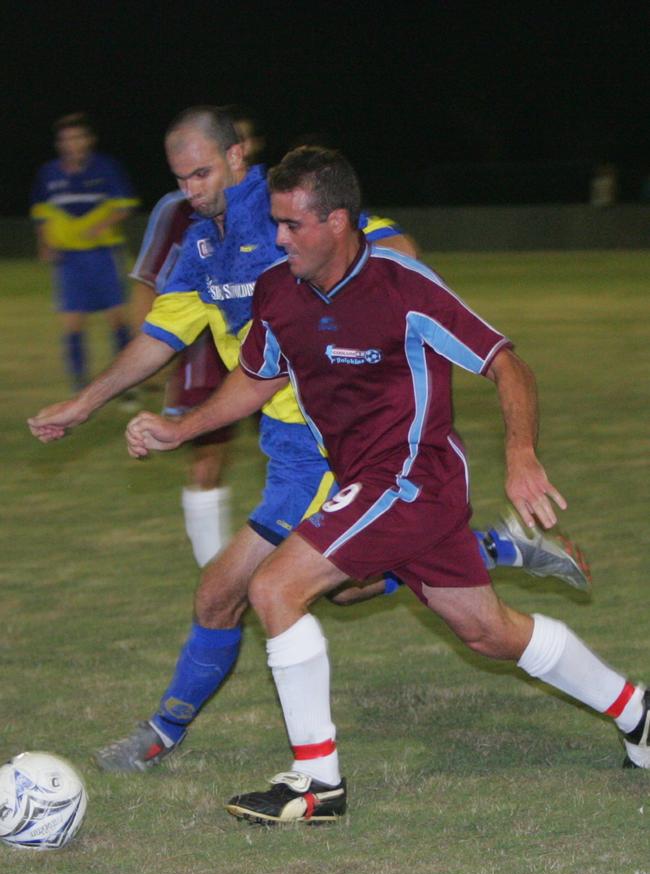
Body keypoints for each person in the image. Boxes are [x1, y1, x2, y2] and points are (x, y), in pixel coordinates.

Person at [28, 110, 588, 775]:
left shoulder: (289, 209)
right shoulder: (200, 250)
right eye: (181, 181)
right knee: (346, 591)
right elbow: (160, 334)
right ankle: (492, 548)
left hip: (341, 448)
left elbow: (387, 253)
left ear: (239, 156)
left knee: (231, 590)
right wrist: (86, 404)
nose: (194, 191)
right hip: (290, 449)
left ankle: (176, 737)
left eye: (204, 173)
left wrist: (351, 323)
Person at [124, 147, 648, 826]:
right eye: (275, 223)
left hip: (412, 479)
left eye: (292, 225)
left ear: (338, 222)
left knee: (276, 587)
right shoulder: (278, 291)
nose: (277, 239)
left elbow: (505, 363)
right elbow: (258, 378)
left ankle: (317, 783)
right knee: (487, 631)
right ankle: (636, 712)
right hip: (368, 484)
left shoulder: (405, 286)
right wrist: (181, 428)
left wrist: (520, 453)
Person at [128, 107, 267, 565]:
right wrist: (145, 363)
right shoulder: (175, 211)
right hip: (203, 346)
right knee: (207, 458)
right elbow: (148, 280)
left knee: (297, 451)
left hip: (270, 348)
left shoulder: (270, 202)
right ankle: (216, 573)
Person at [30, 112, 139, 391]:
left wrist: (98, 226)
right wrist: (44, 244)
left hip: (102, 255)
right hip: (68, 260)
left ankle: (125, 385)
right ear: (59, 143)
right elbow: (41, 213)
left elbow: (125, 205)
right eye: (66, 139)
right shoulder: (49, 173)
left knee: (117, 320)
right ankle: (79, 387)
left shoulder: (106, 168)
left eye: (78, 137)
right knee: (72, 323)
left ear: (89, 140)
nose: (72, 143)